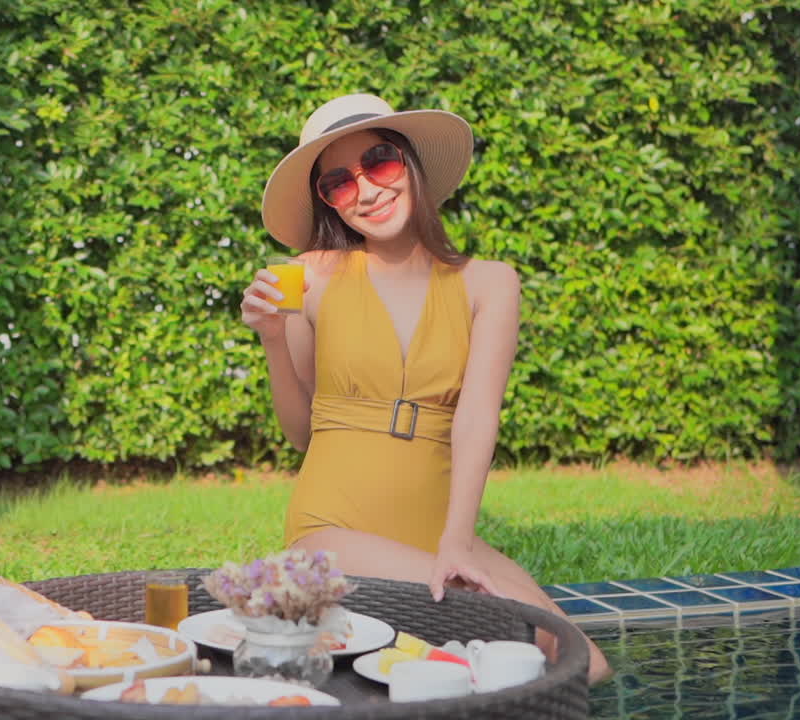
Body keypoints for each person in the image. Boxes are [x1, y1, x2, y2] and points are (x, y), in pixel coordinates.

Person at [240, 93, 612, 684]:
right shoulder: (307, 278)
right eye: (338, 181)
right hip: (331, 525)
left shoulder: (490, 283)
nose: (366, 190)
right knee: (511, 640)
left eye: (380, 162)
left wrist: (458, 542)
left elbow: (476, 418)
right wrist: (271, 342)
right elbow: (301, 432)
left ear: (410, 163)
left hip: (436, 527)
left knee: (584, 665)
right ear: (328, 201)